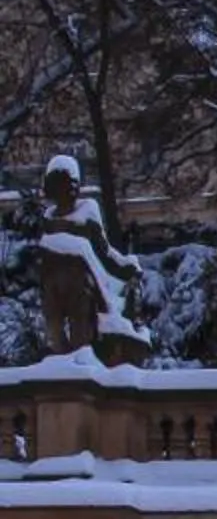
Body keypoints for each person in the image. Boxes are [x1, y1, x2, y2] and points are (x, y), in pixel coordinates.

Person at [28, 155, 149, 363]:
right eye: (57, 187)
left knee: (80, 318)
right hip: (52, 279)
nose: (63, 192)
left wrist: (127, 266)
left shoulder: (88, 210)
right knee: (53, 322)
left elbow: (104, 252)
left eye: (66, 185)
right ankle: (58, 356)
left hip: (81, 281)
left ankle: (79, 358)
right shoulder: (48, 216)